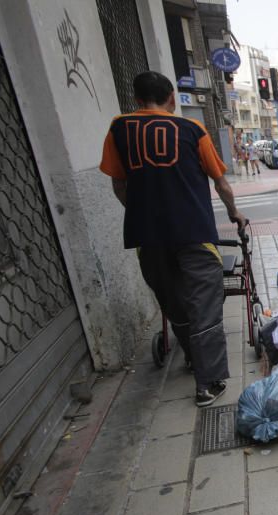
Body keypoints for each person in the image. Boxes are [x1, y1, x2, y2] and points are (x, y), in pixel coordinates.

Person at [99, 71, 246, 407]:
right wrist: (234, 213)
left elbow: (119, 185)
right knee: (204, 305)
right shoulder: (192, 130)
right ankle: (207, 383)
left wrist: (139, 212)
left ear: (136, 99)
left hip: (147, 238)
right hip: (194, 232)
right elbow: (221, 183)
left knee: (173, 302)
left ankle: (194, 357)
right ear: (171, 98)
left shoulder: (118, 128)